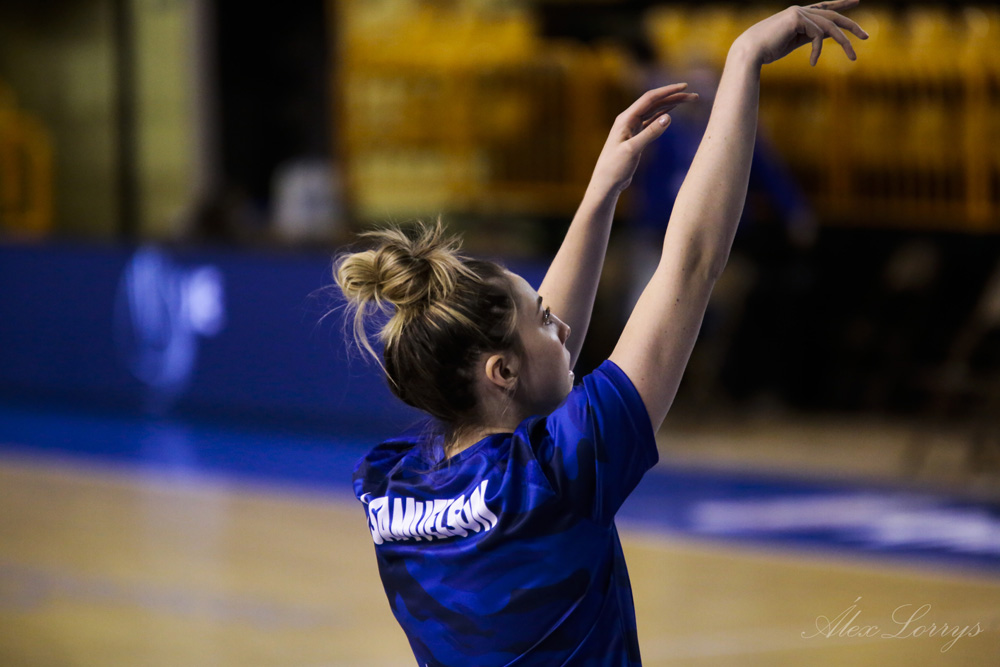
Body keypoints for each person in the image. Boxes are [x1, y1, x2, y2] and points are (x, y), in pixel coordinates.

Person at [334, 3, 867, 665]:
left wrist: (600, 194)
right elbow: (692, 262)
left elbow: (524, 368)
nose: (561, 324)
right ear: (500, 371)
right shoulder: (557, 474)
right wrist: (744, 61)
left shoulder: (391, 485)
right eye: (543, 320)